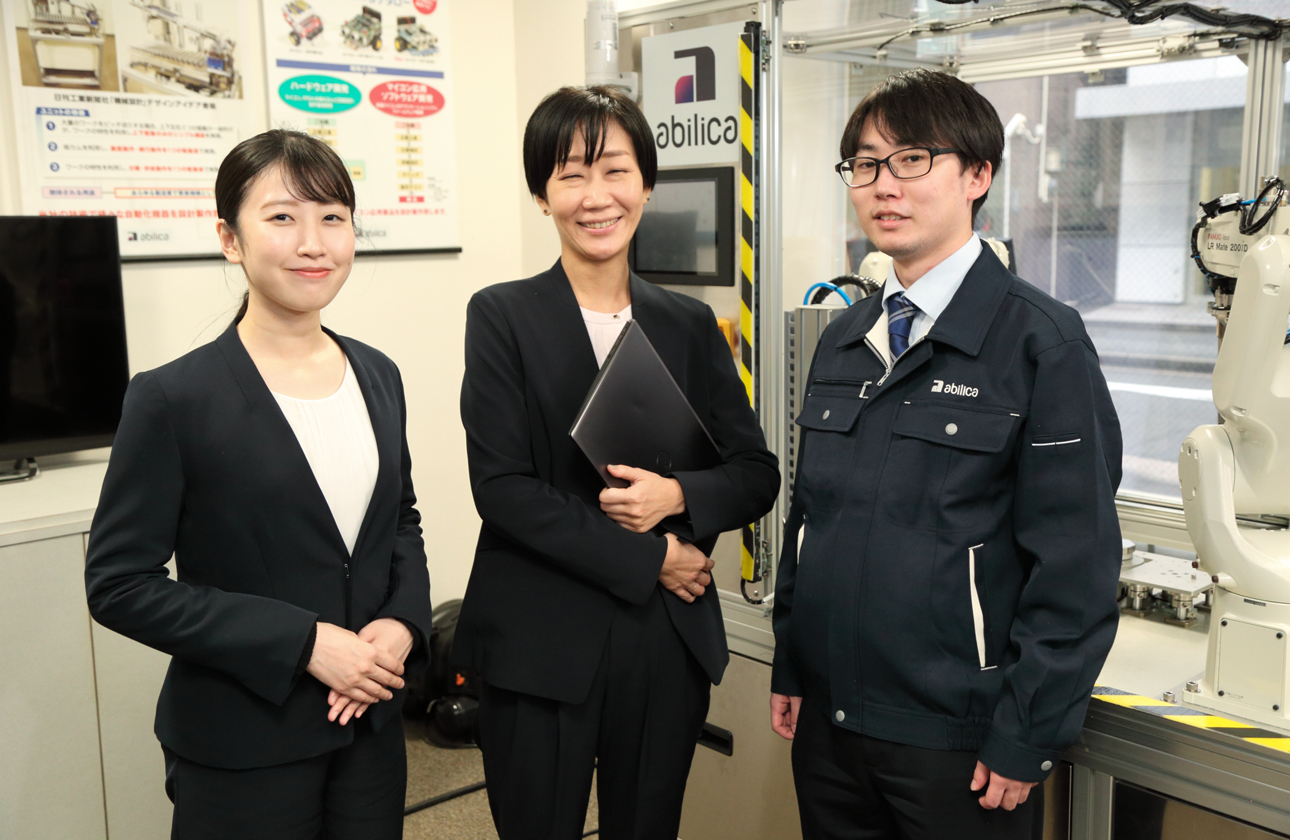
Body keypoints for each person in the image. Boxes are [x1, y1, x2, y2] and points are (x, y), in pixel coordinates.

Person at [769, 68, 1123, 839]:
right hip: (830, 728)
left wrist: (1027, 731)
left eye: (912, 159)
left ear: (977, 175)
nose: (884, 185)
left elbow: (1077, 563)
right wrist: (790, 661)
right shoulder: (845, 337)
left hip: (960, 742)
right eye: (866, 164)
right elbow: (811, 519)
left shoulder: (1040, 342)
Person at [85, 129, 433, 840]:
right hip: (243, 742)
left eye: (332, 217)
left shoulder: (378, 374)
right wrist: (303, 643)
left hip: (369, 728)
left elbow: (400, 520)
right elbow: (119, 584)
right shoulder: (174, 397)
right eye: (282, 217)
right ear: (230, 239)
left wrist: (404, 623)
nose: (313, 243)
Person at [455, 85, 779, 839]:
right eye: (571, 174)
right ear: (542, 195)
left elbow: (755, 473)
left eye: (616, 171)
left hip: (661, 641)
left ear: (647, 184)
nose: (596, 196)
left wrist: (677, 495)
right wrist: (655, 557)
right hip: (541, 638)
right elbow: (503, 489)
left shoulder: (689, 323)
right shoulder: (502, 315)